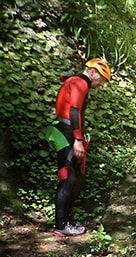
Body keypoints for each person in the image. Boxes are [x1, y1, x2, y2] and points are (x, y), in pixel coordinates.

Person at [46, 58, 111, 236]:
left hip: (64, 129)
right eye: (102, 80)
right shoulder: (80, 82)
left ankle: (67, 220)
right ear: (93, 72)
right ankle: (61, 225)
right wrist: (77, 139)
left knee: (75, 178)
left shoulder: (73, 80)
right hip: (66, 130)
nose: (101, 85)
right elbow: (74, 110)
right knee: (68, 178)